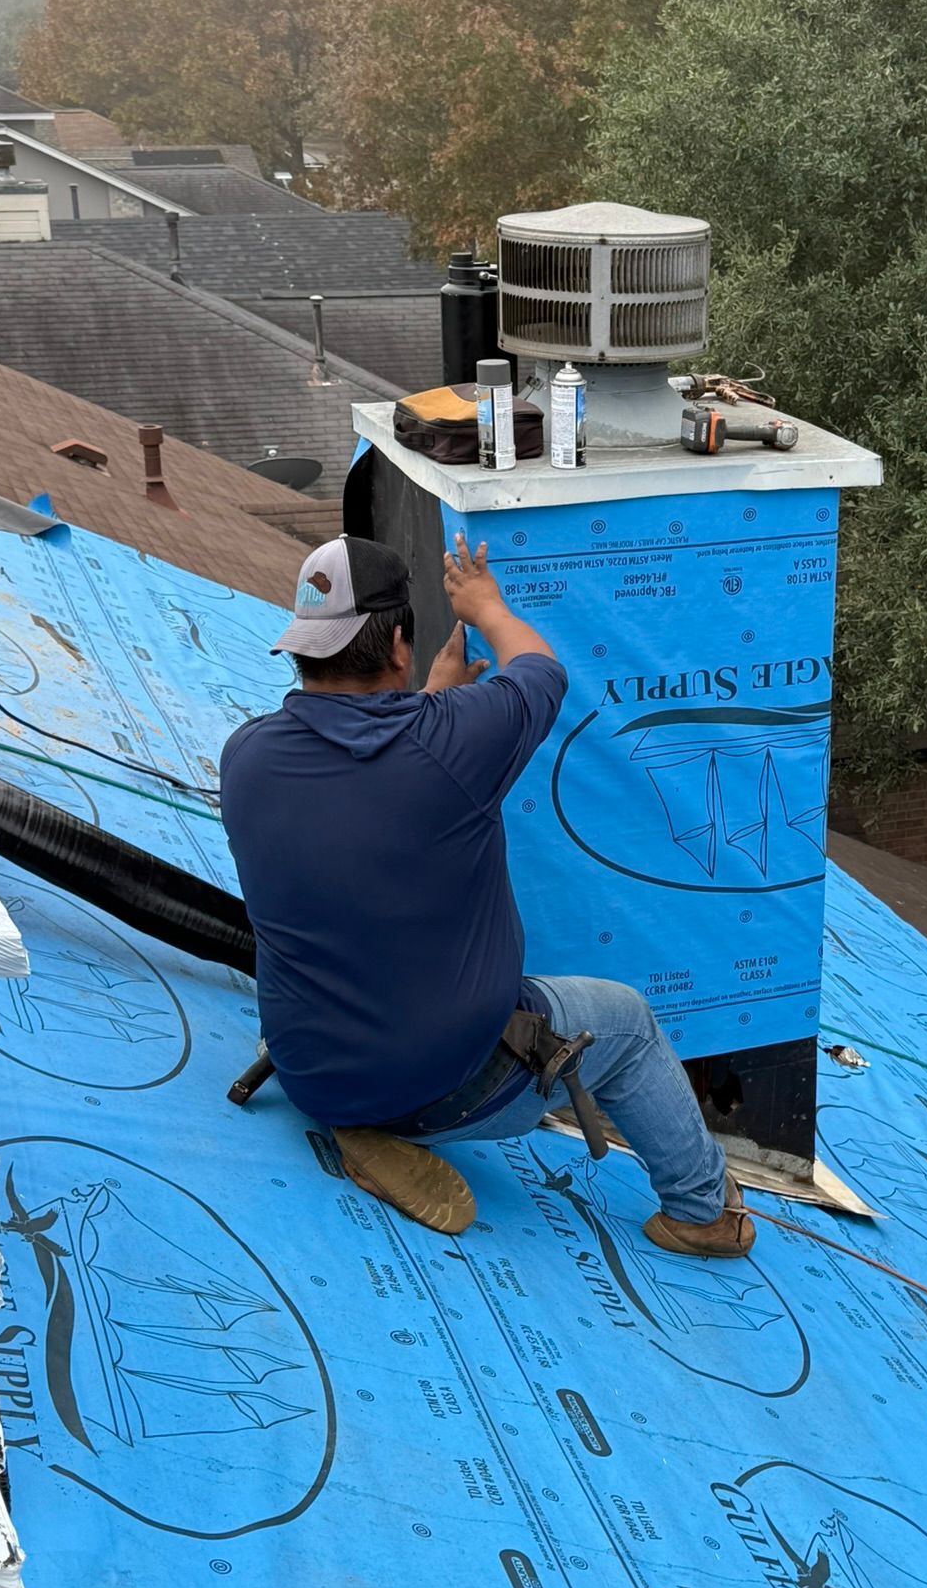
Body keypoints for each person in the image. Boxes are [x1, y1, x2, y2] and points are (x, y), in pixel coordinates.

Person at [219, 532, 755, 1258]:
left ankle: (357, 1116)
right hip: (445, 1085)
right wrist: (486, 607)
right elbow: (542, 671)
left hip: (307, 1064)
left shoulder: (247, 755)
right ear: (399, 646)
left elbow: (370, 790)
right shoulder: (455, 741)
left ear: (303, 645)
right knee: (628, 1024)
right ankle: (703, 1214)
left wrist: (430, 703)